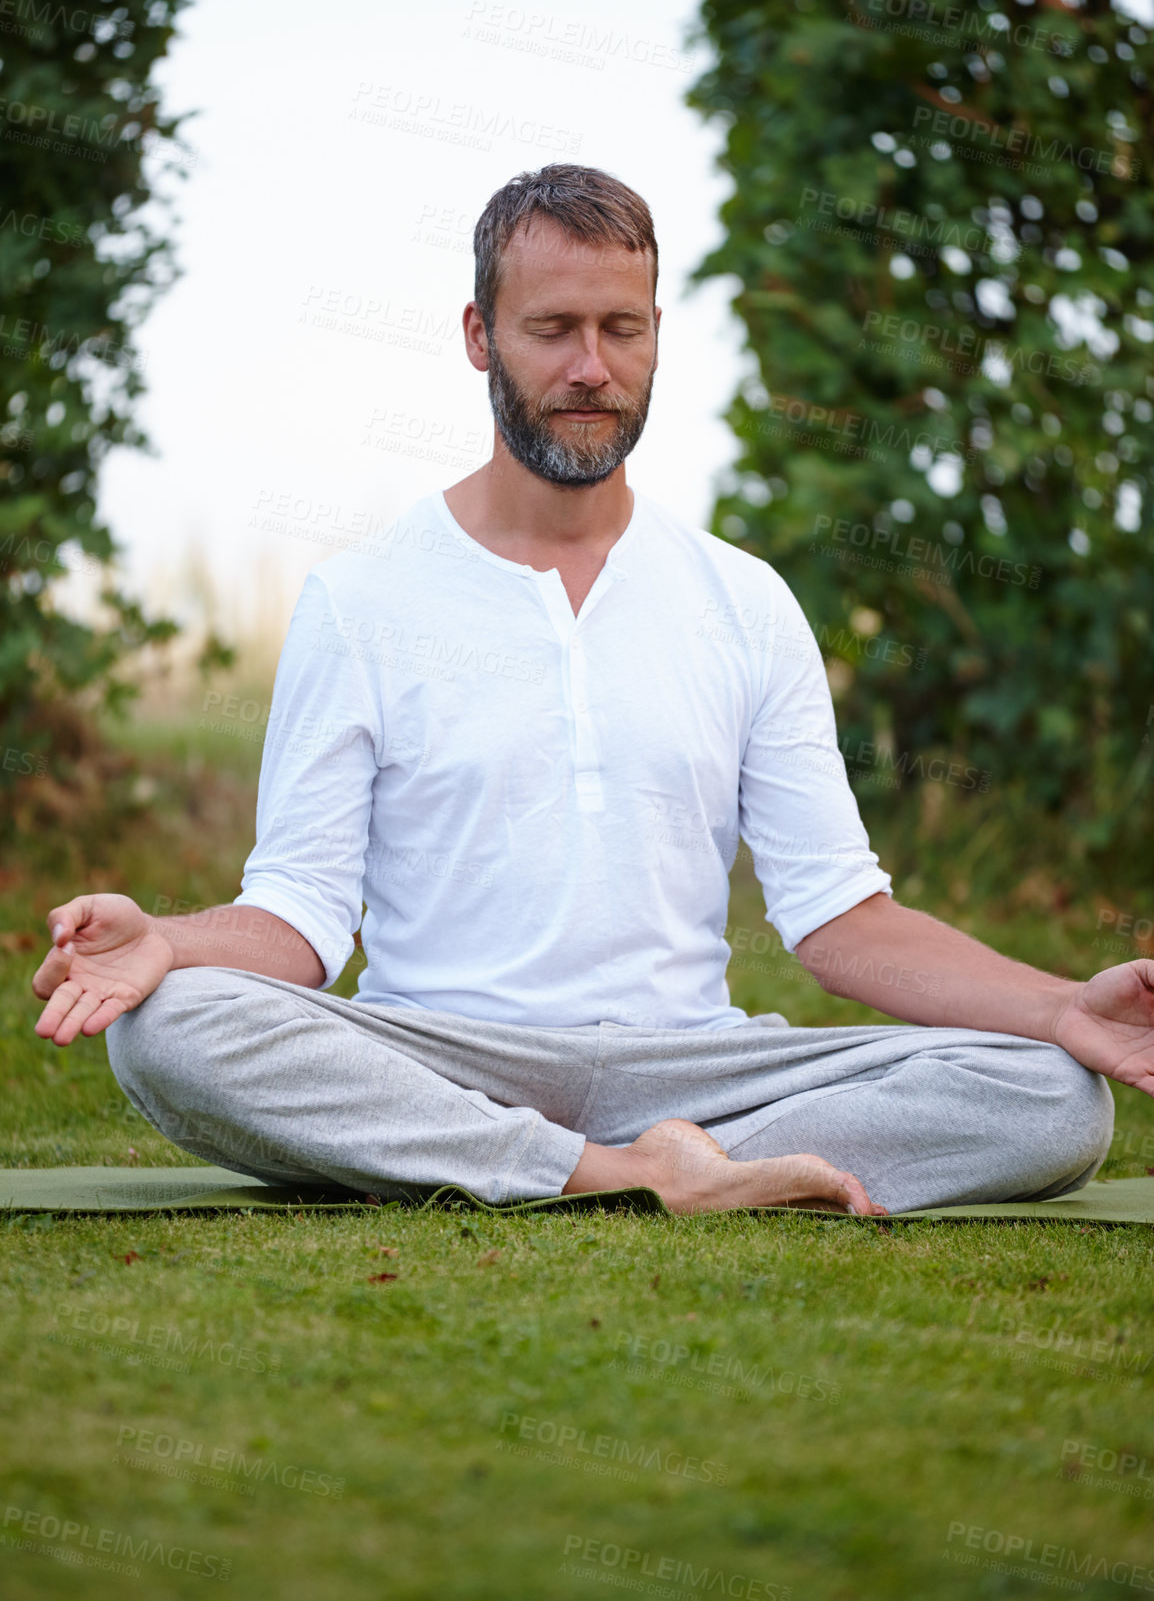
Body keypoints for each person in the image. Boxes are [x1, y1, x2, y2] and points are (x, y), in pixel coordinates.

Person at [30, 166, 1151, 1218]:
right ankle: (612, 1173)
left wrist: (1059, 1005)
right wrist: (165, 941)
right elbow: (303, 920)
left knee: (1050, 1091)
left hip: (699, 1062)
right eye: (552, 329)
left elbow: (838, 921)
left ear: (656, 335)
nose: (589, 369)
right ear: (480, 337)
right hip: (443, 1051)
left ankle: (672, 1154)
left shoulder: (744, 600)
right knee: (169, 1024)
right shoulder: (356, 597)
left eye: (620, 329)